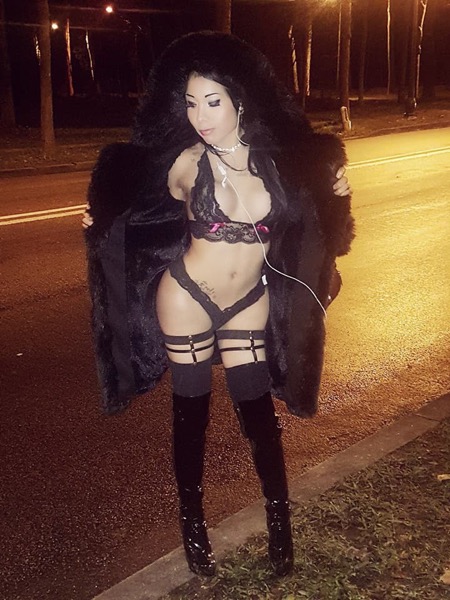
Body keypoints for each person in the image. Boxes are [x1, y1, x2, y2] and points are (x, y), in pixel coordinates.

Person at [84, 31, 354, 579]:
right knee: (192, 417)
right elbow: (132, 210)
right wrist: (100, 220)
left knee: (258, 417)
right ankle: (193, 525)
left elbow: (325, 228)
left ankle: (279, 522)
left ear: (239, 101)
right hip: (187, 297)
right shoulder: (184, 163)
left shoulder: (277, 163)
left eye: (212, 102)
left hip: (248, 301)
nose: (200, 116)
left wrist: (338, 194)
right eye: (190, 103)